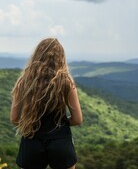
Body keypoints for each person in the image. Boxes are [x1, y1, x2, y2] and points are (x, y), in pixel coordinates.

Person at [10, 38, 83, 169]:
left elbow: (14, 118)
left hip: (32, 140)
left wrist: (30, 123)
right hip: (60, 141)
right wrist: (60, 124)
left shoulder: (23, 82)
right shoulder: (66, 82)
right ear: (61, 58)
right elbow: (77, 119)